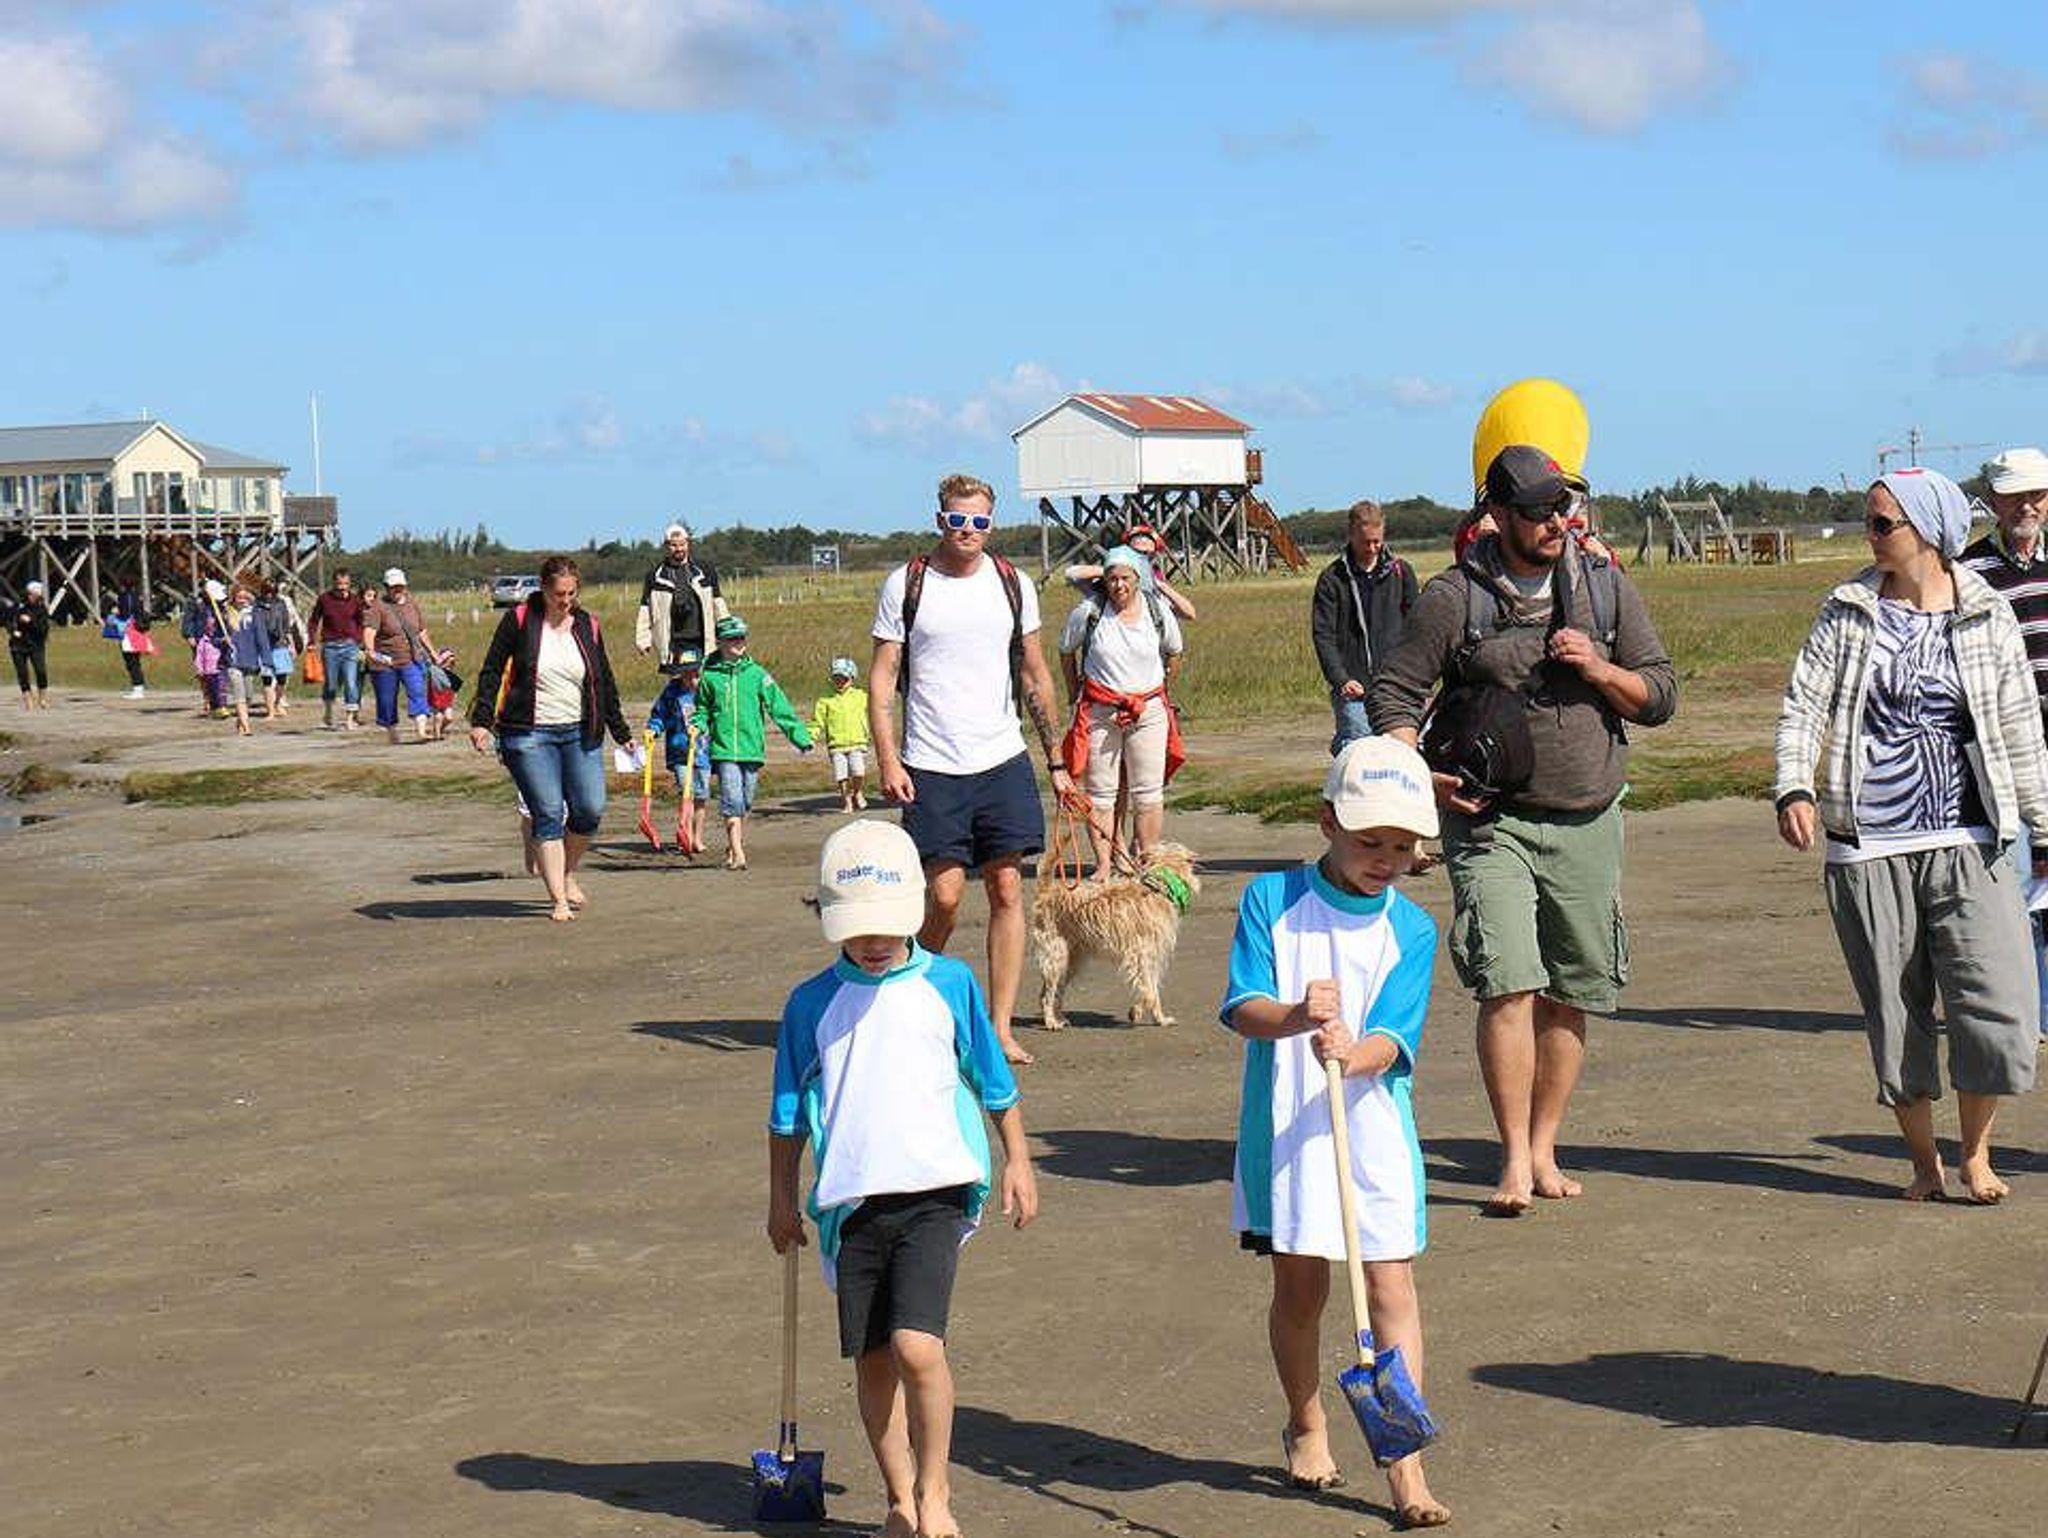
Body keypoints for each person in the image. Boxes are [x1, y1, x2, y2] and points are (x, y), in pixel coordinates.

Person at [1370, 444, 1678, 1216]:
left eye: (1561, 508)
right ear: (1499, 515)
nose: (1554, 522)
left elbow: (1661, 692)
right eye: (1537, 511)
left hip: (1588, 815)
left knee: (1572, 992)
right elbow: (1395, 693)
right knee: (1507, 983)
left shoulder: (1605, 586)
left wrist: (1599, 669)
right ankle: (1512, 1157)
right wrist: (1417, 775)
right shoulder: (1453, 598)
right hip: (1490, 822)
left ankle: (1545, 1147)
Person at [1775, 468, 2046, 1204]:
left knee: (1999, 1005)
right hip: (1870, 846)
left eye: (1881, 523)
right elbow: (1804, 706)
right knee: (1898, 1017)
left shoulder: (1985, 611)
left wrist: (2044, 829)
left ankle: (1977, 1154)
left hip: (1972, 837)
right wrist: (1794, 786)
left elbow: (2020, 726)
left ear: (1927, 530)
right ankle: (1926, 1162)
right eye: (1868, 521)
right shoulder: (1848, 609)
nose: (1869, 535)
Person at [767, 818, 1038, 1538]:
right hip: (851, 1202)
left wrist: (1017, 1159)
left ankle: (936, 1489)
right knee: (875, 1361)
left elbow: (993, 1079)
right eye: (858, 929)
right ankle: (899, 1496)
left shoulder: (949, 983)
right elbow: (787, 1115)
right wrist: (780, 1199)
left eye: (888, 925)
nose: (875, 941)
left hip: (937, 1189)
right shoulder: (810, 1003)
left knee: (919, 1346)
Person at [1221, 736, 1448, 1527]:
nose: (1387, 860)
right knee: (1302, 1291)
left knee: (1391, 1288)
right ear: (1328, 823)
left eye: (1402, 846)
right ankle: (1306, 1419)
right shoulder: (1270, 901)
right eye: (1370, 841)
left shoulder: (1413, 929)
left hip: (1374, 1129)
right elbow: (1243, 1008)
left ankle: (1405, 1465)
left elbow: (1395, 1039)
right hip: (1287, 1128)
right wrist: (1294, 1017)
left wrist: (1355, 1056)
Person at [869, 472, 1080, 1067]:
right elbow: (883, 678)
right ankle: (909, 994)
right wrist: (888, 758)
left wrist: (1057, 760)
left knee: (1008, 888)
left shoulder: (1012, 583)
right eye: (958, 520)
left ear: (992, 523)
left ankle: (998, 1027)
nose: (968, 530)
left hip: (1001, 757)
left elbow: (1036, 674)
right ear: (941, 520)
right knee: (944, 897)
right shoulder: (907, 583)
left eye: (979, 521)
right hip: (932, 762)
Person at [468, 555, 631, 922]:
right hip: (528, 734)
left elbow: (604, 680)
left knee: (590, 808)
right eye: (559, 594)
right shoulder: (519, 620)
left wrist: (621, 732)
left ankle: (566, 871)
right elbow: (492, 670)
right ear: (543, 589)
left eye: (572, 593)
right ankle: (558, 898)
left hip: (580, 732)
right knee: (548, 812)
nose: (566, 601)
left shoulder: (588, 625)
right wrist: (481, 721)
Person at [1960, 446, 2048, 1040]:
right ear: (1993, 501)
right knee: (2017, 884)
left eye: (2036, 495)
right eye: (2014, 496)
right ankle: (2026, 1010)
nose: (2026, 507)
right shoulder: (1968, 573)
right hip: (2004, 750)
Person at [1056, 545, 1186, 874]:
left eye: (1126, 578)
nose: (1119, 585)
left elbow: (1174, 651)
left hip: (1147, 712)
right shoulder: (1089, 612)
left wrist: (1162, 689)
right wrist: (1073, 691)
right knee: (1100, 794)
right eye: (1112, 578)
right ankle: (1104, 864)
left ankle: (1146, 861)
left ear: (1138, 578)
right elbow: (1066, 650)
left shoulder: (1157, 610)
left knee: (1148, 793)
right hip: (1101, 712)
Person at [692, 615, 813, 871]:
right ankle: (738, 852)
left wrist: (800, 737)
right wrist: (698, 724)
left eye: (741, 638)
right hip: (724, 750)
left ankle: (732, 843)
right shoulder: (709, 677)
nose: (739, 642)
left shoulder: (757, 675)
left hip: (752, 749)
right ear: (720, 642)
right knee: (732, 800)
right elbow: (702, 709)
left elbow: (779, 707)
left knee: (745, 801)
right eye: (732, 638)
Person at [1311, 501, 1418, 755]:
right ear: (1351, 536)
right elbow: (1323, 635)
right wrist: (1341, 678)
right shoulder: (1332, 579)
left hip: (1395, 684)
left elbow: (1417, 626)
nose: (1371, 548)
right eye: (1365, 542)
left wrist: (1414, 672)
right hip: (1353, 686)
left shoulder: (1401, 572)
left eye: (1377, 542)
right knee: (1358, 750)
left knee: (1400, 753)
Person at [635, 521, 725, 676]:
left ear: (688, 544)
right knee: (678, 682)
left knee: (702, 680)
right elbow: (645, 609)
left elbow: (718, 603)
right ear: (666, 546)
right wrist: (643, 640)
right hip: (673, 642)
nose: (679, 549)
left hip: (701, 640)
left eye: (682, 544)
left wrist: (725, 630)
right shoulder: (655, 576)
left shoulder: (705, 570)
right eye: (674, 545)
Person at [1063, 521, 1197, 622]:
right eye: (1135, 552)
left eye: (1147, 554)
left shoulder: (1154, 588)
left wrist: (1162, 586)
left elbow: (1189, 614)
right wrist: (1113, 572)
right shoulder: (1113, 585)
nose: (1141, 558)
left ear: (1154, 555)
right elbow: (1071, 574)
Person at [363, 568, 438, 744]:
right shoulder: (378, 607)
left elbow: (421, 631)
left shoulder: (412, 604)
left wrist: (433, 653)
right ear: (386, 587)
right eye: (393, 587)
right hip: (385, 662)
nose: (397, 590)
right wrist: (370, 651)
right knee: (386, 699)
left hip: (410, 659)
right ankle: (392, 732)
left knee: (417, 690)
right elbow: (369, 631)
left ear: (405, 586)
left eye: (400, 586)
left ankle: (421, 731)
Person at [647, 648, 711, 851]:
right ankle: (686, 835)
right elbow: (660, 715)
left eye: (695, 675)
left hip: (703, 753)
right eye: (686, 674)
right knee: (686, 792)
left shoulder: (707, 691)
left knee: (701, 796)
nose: (691, 680)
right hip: (680, 752)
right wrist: (654, 729)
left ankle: (697, 837)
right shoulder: (672, 692)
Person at [307, 569, 367, 730]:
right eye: (339, 584)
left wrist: (359, 641)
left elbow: (361, 622)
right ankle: (328, 711)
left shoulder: (355, 601)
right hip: (330, 646)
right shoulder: (324, 599)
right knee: (331, 684)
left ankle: (350, 718)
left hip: (350, 646)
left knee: (351, 681)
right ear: (334, 583)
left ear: (350, 584)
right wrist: (312, 640)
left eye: (346, 584)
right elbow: (314, 621)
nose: (342, 587)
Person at [812, 657, 873, 813]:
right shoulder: (825, 700)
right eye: (837, 678)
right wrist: (810, 737)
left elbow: (876, 706)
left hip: (857, 742)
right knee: (841, 775)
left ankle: (857, 792)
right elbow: (817, 722)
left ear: (852, 678)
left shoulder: (860, 696)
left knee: (858, 771)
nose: (840, 681)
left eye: (844, 678)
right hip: (836, 744)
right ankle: (847, 802)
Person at [222, 583, 274, 737]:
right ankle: (246, 726)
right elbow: (214, 636)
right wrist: (223, 640)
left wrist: (267, 660)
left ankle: (240, 722)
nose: (242, 600)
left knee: (248, 696)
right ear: (233, 598)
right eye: (239, 597)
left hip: (250, 660)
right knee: (239, 694)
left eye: (245, 597)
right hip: (233, 660)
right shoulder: (226, 614)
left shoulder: (255, 614)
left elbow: (262, 638)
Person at [255, 579, 305, 719]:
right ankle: (270, 711)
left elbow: (286, 624)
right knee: (267, 679)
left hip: (280, 645)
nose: (269, 595)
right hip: (264, 646)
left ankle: (277, 702)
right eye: (266, 591)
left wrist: (291, 644)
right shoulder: (257, 605)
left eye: (272, 592)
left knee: (282, 678)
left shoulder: (281, 604)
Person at [182, 579, 232, 718]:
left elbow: (227, 624)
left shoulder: (222, 607)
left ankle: (219, 703)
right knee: (205, 674)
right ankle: (210, 700)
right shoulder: (196, 603)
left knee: (220, 673)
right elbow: (188, 620)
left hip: (219, 644)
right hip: (203, 643)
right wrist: (189, 635)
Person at [7, 581, 51, 710]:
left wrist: (30, 621)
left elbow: (43, 630)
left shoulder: (42, 610)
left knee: (41, 671)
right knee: (22, 673)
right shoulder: (19, 606)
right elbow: (9, 620)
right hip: (18, 645)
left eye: (35, 595)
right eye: (30, 594)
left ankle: (42, 698)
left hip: (36, 644)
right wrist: (13, 631)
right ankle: (28, 699)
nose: (32, 597)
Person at [111, 581, 152, 697]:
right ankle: (138, 687)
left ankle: (138, 688)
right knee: (135, 659)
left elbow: (125, 614)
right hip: (136, 630)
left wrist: (116, 613)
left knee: (131, 660)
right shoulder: (137, 596)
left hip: (128, 631)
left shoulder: (125, 597)